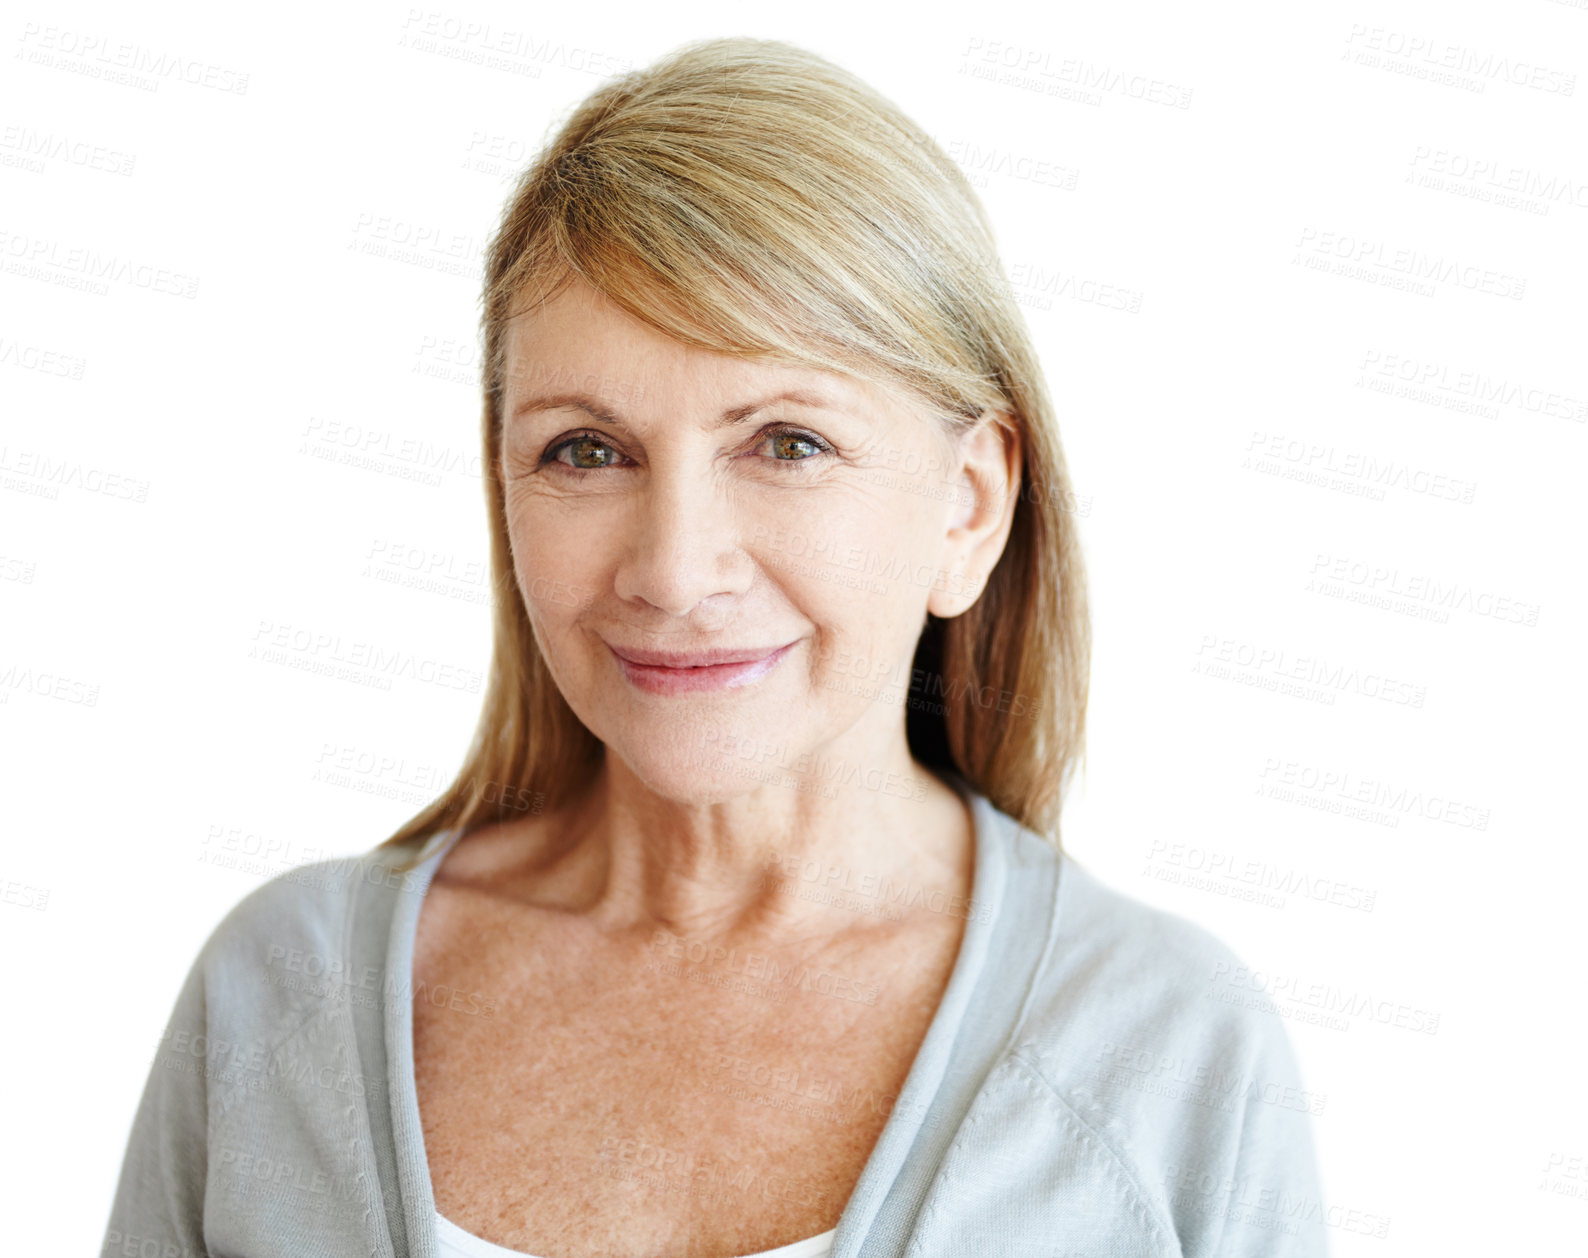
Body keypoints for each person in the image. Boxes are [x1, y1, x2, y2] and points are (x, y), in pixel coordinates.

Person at [102, 36, 1327, 1258]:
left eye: (787, 441)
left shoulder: (1167, 1054)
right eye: (586, 449)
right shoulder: (274, 1003)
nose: (675, 571)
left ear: (968, 504)